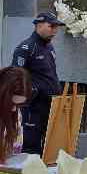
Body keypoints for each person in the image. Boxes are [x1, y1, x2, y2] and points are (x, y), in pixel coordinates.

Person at [12, 12, 64, 155]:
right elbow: (16, 77)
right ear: (39, 25)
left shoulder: (50, 47)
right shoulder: (26, 48)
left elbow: (49, 75)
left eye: (56, 27)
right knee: (31, 148)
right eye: (51, 26)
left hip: (51, 105)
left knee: (49, 148)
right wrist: (33, 92)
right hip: (34, 107)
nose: (55, 30)